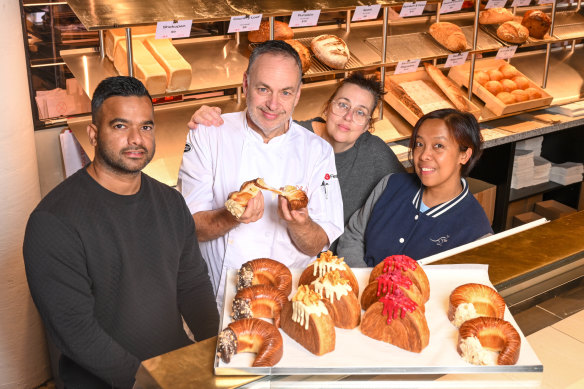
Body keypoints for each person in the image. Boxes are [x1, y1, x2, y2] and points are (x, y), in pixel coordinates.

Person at [23, 76, 219, 389]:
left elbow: (192, 285)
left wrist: (217, 354)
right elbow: (75, 329)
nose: (136, 139)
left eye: (146, 126)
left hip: (177, 369)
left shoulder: (170, 202)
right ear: (93, 134)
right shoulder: (53, 221)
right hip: (108, 382)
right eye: (120, 126)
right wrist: (149, 381)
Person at [178, 40, 344, 306]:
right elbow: (189, 227)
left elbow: (317, 243)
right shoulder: (208, 133)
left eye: (286, 92)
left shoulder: (319, 152)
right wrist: (230, 216)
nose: (273, 104)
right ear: (245, 84)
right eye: (263, 89)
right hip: (217, 299)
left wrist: (299, 223)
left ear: (298, 94)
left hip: (288, 302)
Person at [188, 72, 405, 238]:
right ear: (328, 107)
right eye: (342, 105)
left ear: (368, 125)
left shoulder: (376, 153)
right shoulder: (293, 136)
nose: (348, 117)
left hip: (344, 257)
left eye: (360, 113)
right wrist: (207, 119)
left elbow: (412, 195)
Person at [337, 108, 493, 266]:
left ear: (464, 155)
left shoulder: (477, 233)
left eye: (438, 145)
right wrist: (364, 283)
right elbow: (354, 236)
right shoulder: (390, 185)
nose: (424, 155)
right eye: (419, 144)